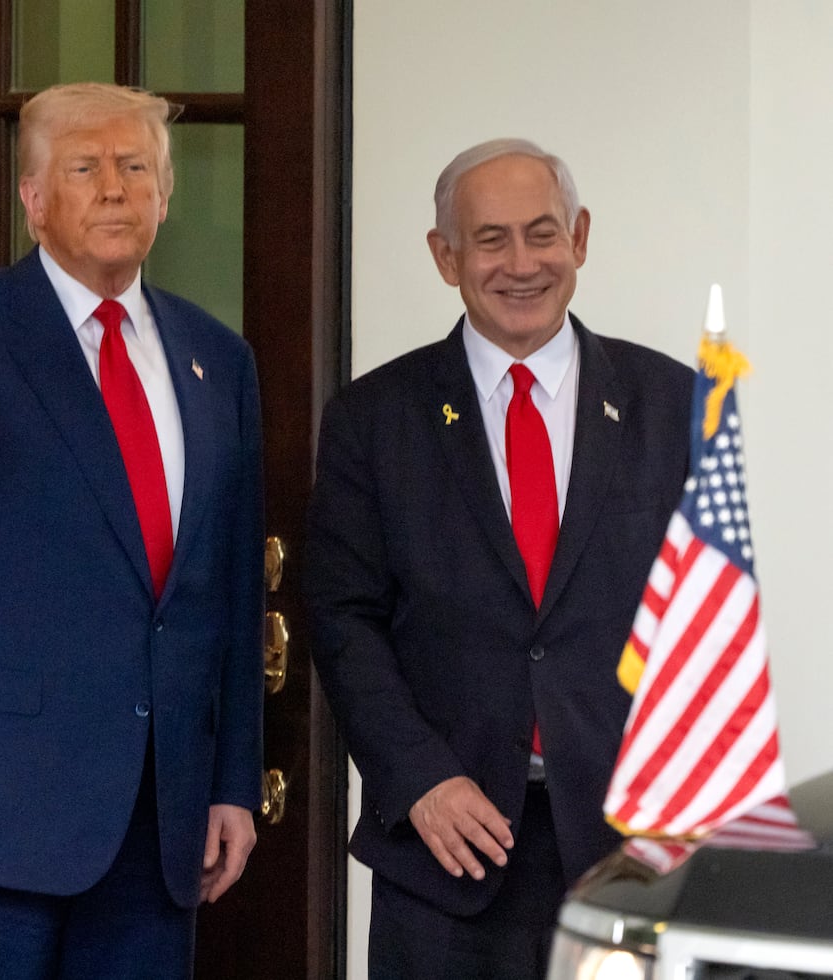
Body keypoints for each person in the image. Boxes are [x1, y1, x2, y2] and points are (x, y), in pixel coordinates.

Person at [0, 82, 264, 979]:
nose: (116, 188)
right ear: (34, 201)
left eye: (136, 168)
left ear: (164, 196)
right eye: (85, 168)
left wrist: (231, 782)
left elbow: (228, 591)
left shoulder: (217, 359)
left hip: (152, 821)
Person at [305, 139, 694, 979]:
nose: (521, 264)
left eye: (542, 233)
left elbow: (705, 615)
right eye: (490, 240)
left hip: (631, 853)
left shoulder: (671, 404)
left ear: (580, 238)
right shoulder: (373, 419)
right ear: (445, 257)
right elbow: (342, 620)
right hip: (447, 851)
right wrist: (419, 777)